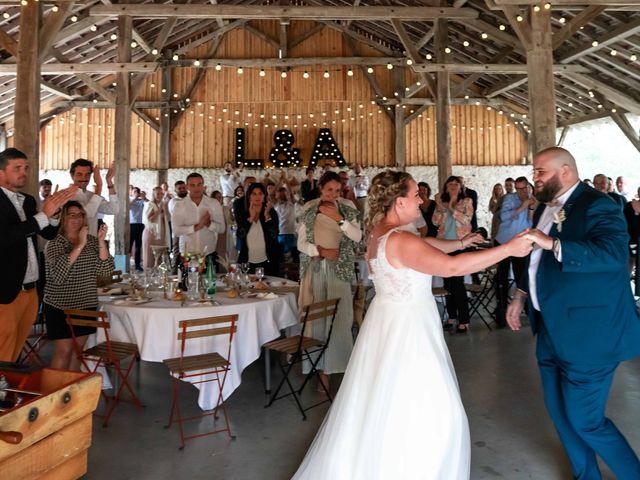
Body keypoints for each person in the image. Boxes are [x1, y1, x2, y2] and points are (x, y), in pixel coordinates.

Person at [293, 170, 533, 479]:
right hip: (409, 332)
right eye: (415, 194)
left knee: (381, 403)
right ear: (399, 200)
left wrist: (460, 240)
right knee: (434, 410)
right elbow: (451, 266)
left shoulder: (380, 231)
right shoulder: (401, 239)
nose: (421, 199)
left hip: (386, 322)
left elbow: (429, 247)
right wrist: (507, 250)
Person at [507, 147, 640, 480]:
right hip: (550, 329)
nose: (533, 178)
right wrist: (520, 294)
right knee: (560, 415)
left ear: (565, 171)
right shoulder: (548, 206)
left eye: (540, 172)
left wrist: (553, 244)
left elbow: (612, 255)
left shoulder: (600, 204)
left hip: (589, 334)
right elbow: (535, 260)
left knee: (586, 420)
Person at [0, 148, 77, 362]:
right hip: (5, 290)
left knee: (15, 353)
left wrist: (53, 214)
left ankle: (7, 391)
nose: (23, 173)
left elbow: (49, 233)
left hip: (30, 289)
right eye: (17, 168)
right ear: (1, 172)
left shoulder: (27, 200)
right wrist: (43, 215)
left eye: (26, 168)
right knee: (2, 352)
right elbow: (6, 237)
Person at [297, 171, 361, 392]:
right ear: (320, 188)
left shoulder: (347, 207)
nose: (333, 194)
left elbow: (357, 237)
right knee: (317, 321)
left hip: (339, 271)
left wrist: (338, 219)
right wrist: (319, 250)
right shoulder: (309, 208)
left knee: (340, 320)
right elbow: (301, 243)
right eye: (328, 190)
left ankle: (337, 368)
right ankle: (319, 371)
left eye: (337, 190)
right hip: (315, 269)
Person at [44, 201, 114, 371]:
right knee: (64, 352)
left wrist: (101, 242)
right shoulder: (54, 243)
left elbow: (106, 271)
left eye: (80, 215)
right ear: (63, 218)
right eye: (72, 215)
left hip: (85, 305)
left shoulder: (92, 241)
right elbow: (59, 276)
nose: (77, 219)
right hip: (60, 306)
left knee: (77, 352)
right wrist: (79, 245)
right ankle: (54, 394)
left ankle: (73, 394)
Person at [432, 175, 474, 333]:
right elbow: (435, 222)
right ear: (445, 187)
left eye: (456, 184)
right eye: (450, 184)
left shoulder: (467, 201)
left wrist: (451, 208)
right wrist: (441, 206)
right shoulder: (440, 203)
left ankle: (464, 319)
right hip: (444, 244)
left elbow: (466, 220)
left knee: (458, 283)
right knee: (448, 283)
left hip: (460, 244)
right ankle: (451, 315)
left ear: (461, 186)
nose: (453, 186)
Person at [494, 176, 534, 327]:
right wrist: (523, 205)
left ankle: (526, 311)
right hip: (504, 240)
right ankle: (501, 312)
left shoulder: (535, 199)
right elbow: (504, 217)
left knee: (522, 276)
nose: (522, 191)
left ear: (530, 187)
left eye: (525, 188)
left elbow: (533, 222)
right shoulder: (510, 199)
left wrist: (530, 208)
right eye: (519, 188)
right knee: (501, 278)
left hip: (521, 244)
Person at [172, 173, 225, 265]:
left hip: (208, 254)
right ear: (187, 187)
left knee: (209, 279)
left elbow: (221, 229)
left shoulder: (213, 203)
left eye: (199, 184)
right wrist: (197, 227)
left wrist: (209, 224)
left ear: (203, 186)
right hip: (186, 254)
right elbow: (176, 231)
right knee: (186, 279)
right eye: (192, 185)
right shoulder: (180, 205)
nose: (196, 188)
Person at [235, 183, 282, 276]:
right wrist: (250, 219)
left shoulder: (271, 213)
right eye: (254, 194)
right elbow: (240, 235)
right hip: (247, 262)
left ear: (264, 196)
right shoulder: (244, 214)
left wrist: (267, 217)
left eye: (260, 193)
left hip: (268, 261)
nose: (257, 196)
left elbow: (274, 235)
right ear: (249, 196)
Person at [69, 158, 118, 236]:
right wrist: (99, 186)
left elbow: (113, 209)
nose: (84, 178)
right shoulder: (66, 195)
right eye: (79, 174)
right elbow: (87, 213)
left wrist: (109, 181)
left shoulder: (92, 196)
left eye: (87, 174)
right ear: (72, 176)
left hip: (92, 244)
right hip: (73, 246)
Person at [142, 186, 170, 269]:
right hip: (152, 233)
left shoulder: (161, 204)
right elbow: (150, 219)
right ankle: (149, 276)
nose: (160, 195)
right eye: (158, 194)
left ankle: (159, 276)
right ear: (153, 194)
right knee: (150, 256)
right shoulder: (150, 204)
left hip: (160, 234)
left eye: (161, 194)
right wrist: (159, 209)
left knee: (159, 258)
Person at [273, 185, 298, 263]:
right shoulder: (276, 206)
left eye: (284, 194)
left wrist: (285, 180)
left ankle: (293, 271)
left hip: (290, 232)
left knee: (292, 255)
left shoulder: (291, 204)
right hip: (280, 233)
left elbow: (290, 193)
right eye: (280, 194)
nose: (281, 196)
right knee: (282, 256)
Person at [129, 186, 145, 271]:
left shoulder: (141, 201)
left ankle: (137, 265)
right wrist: (134, 198)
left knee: (138, 246)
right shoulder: (129, 199)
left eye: (137, 192)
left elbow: (149, 203)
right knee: (129, 245)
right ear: (131, 192)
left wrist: (144, 197)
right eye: (134, 191)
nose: (135, 193)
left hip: (140, 225)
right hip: (131, 225)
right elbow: (128, 206)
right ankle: (127, 264)